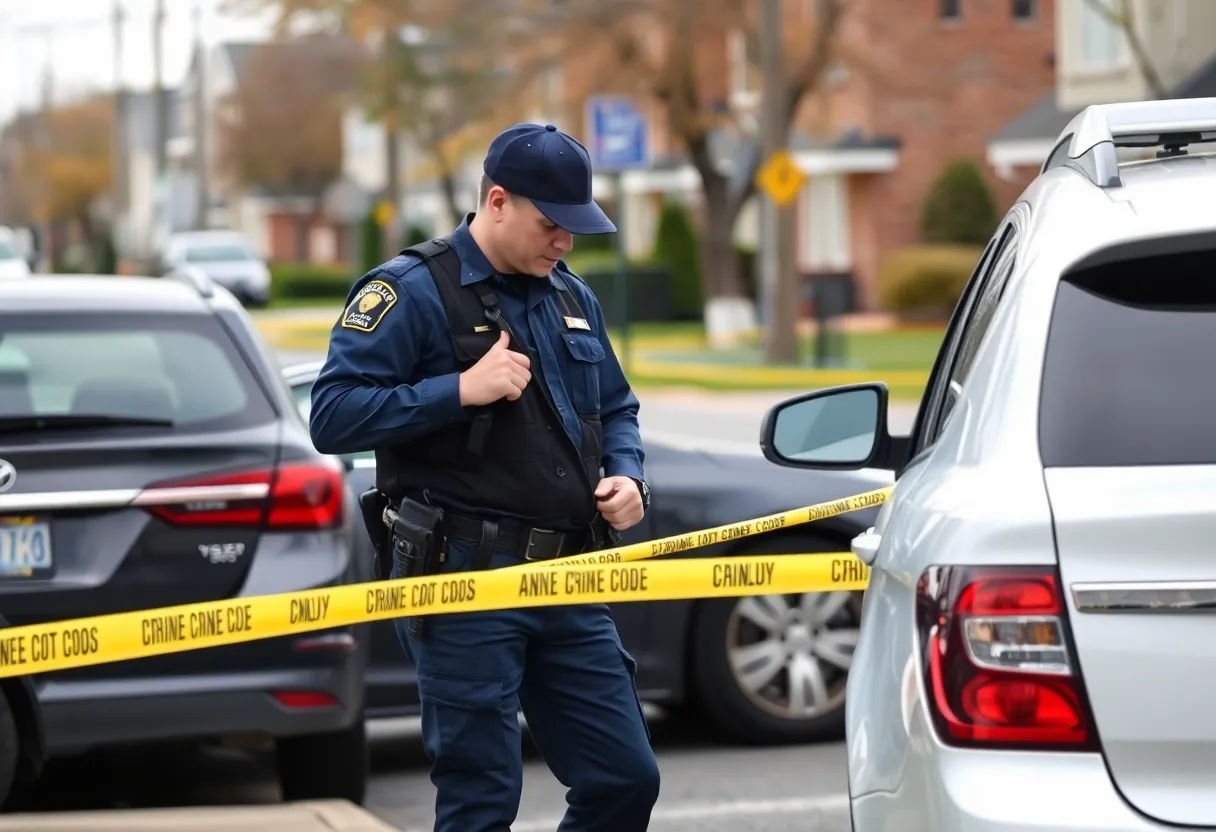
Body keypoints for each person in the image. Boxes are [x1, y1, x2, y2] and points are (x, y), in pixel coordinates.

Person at [309, 122, 660, 832]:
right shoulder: (408, 290)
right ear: (497, 201)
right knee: (482, 800)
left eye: (576, 229)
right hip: (462, 579)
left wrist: (628, 478)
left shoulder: (571, 297)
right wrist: (459, 390)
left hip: (569, 575)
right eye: (551, 224)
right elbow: (332, 416)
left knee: (624, 780)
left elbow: (617, 407)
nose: (564, 242)